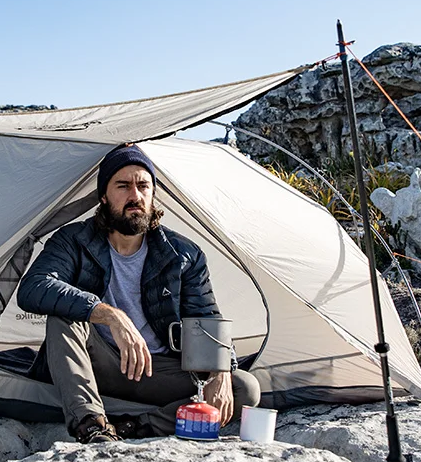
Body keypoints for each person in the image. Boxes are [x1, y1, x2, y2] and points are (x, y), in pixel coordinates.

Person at [17, 143, 262, 443]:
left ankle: (135, 427)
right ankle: (91, 425)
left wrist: (219, 371)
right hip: (96, 363)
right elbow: (34, 287)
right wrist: (111, 316)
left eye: (143, 186)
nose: (135, 195)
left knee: (244, 388)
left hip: (155, 371)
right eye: (123, 186)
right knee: (64, 317)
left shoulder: (183, 254)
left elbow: (206, 317)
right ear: (104, 196)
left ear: (153, 193)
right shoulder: (73, 240)